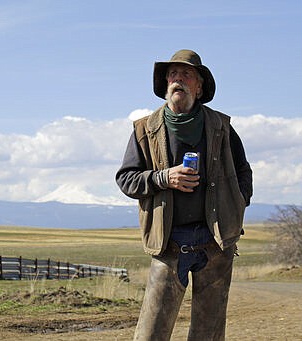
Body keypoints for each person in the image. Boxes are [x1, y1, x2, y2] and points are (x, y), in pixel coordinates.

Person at [115, 49, 253, 341]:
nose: (178, 79)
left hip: (214, 245)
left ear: (199, 86)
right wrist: (165, 178)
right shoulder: (145, 130)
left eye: (186, 74)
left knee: (209, 333)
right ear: (165, 84)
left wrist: (238, 204)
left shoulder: (221, 127)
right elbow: (126, 179)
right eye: (172, 75)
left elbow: (244, 171)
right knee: (151, 333)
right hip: (169, 245)